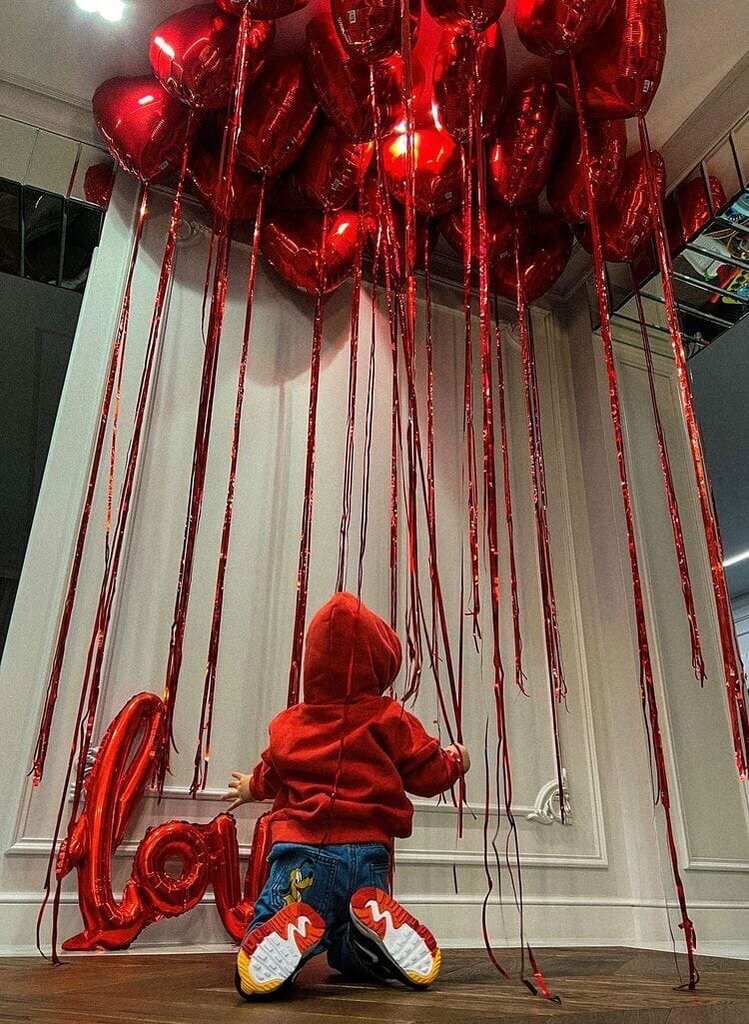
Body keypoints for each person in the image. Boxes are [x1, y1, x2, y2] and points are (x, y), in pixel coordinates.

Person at [222, 592, 470, 999]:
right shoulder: (390, 717)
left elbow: (274, 771)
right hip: (369, 857)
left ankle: (292, 920)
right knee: (347, 951)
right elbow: (426, 773)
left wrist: (251, 787)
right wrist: (455, 762)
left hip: (303, 854)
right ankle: (364, 936)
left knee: (272, 922)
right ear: (378, 665)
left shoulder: (290, 724)